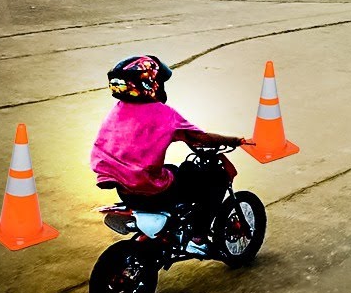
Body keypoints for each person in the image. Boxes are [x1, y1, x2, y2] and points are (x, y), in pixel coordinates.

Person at [91, 55, 247, 256]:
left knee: (175, 171)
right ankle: (198, 238)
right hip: (152, 189)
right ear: (151, 83)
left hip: (123, 187)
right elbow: (201, 139)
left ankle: (162, 229)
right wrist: (235, 140)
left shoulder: (117, 111)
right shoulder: (163, 113)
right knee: (215, 179)